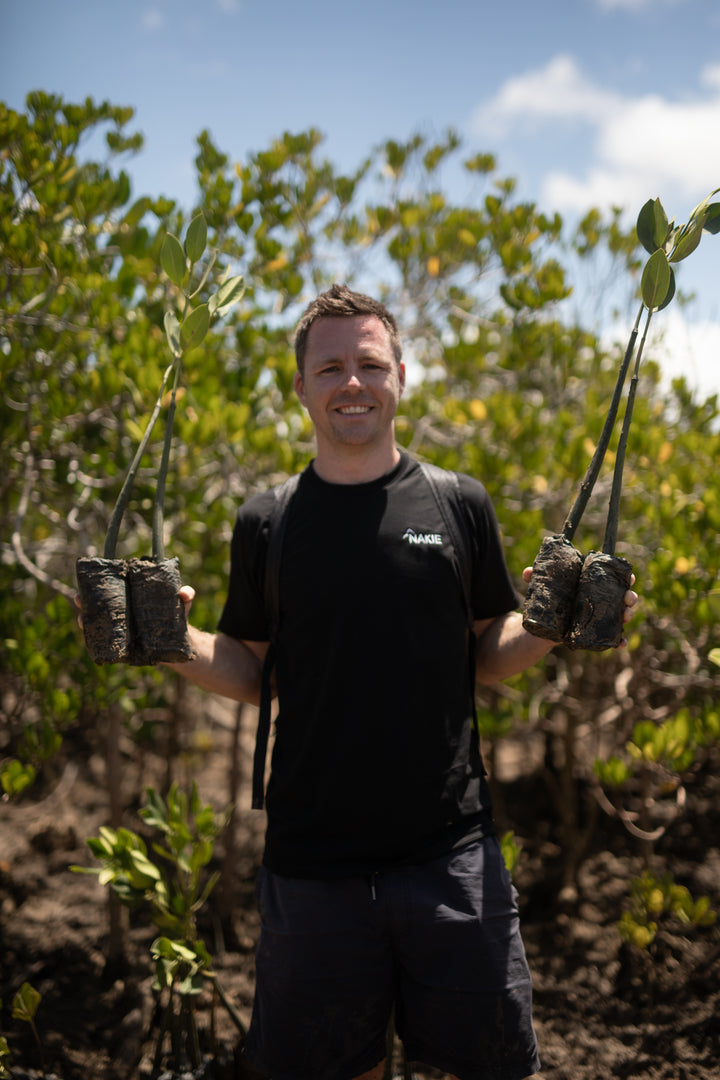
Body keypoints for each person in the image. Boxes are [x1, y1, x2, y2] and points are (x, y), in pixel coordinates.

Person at [161, 284, 639, 1080]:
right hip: (312, 861)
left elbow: (488, 652)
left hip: (450, 854)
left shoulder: (457, 504)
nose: (353, 382)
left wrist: (557, 622)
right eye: (332, 367)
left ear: (401, 377)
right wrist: (169, 641)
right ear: (301, 387)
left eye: (370, 365)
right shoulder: (267, 520)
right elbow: (254, 670)